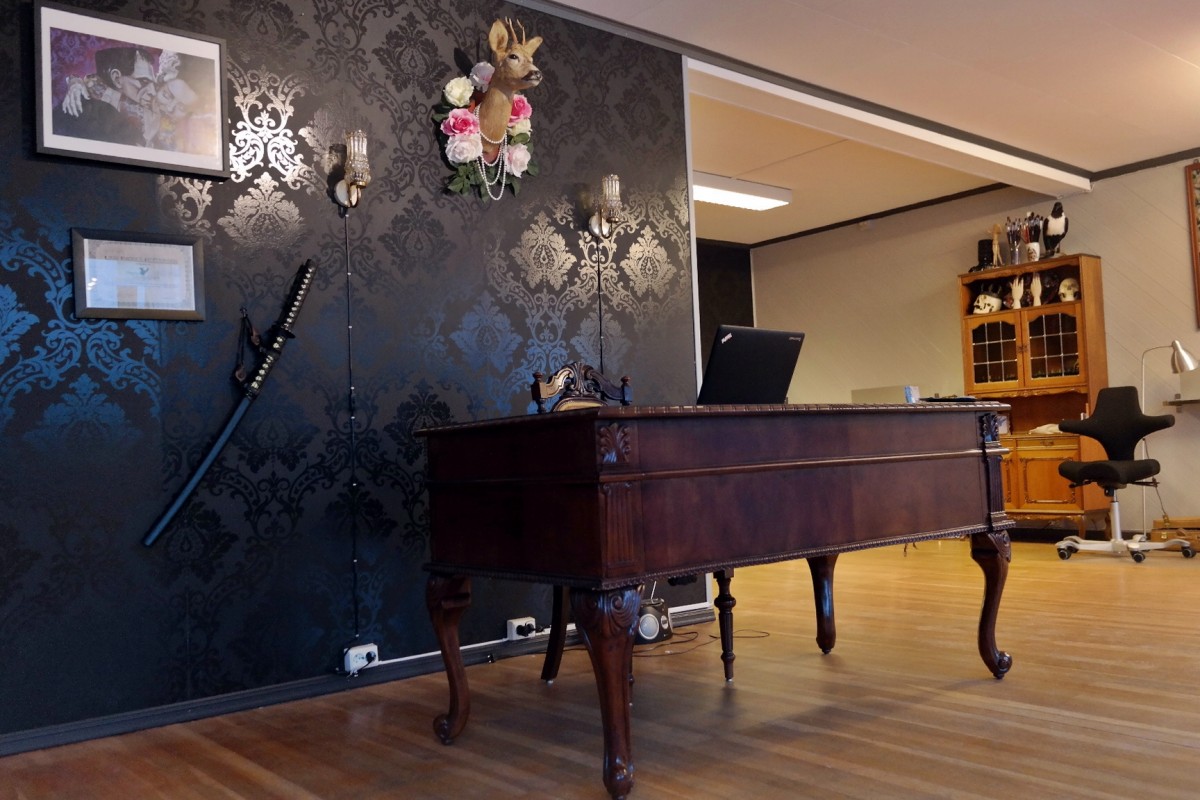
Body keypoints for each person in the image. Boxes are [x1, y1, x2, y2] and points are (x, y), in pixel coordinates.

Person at [54, 47, 157, 146]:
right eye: (144, 81)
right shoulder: (83, 110)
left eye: (153, 84)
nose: (153, 92)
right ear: (116, 78)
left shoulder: (147, 113)